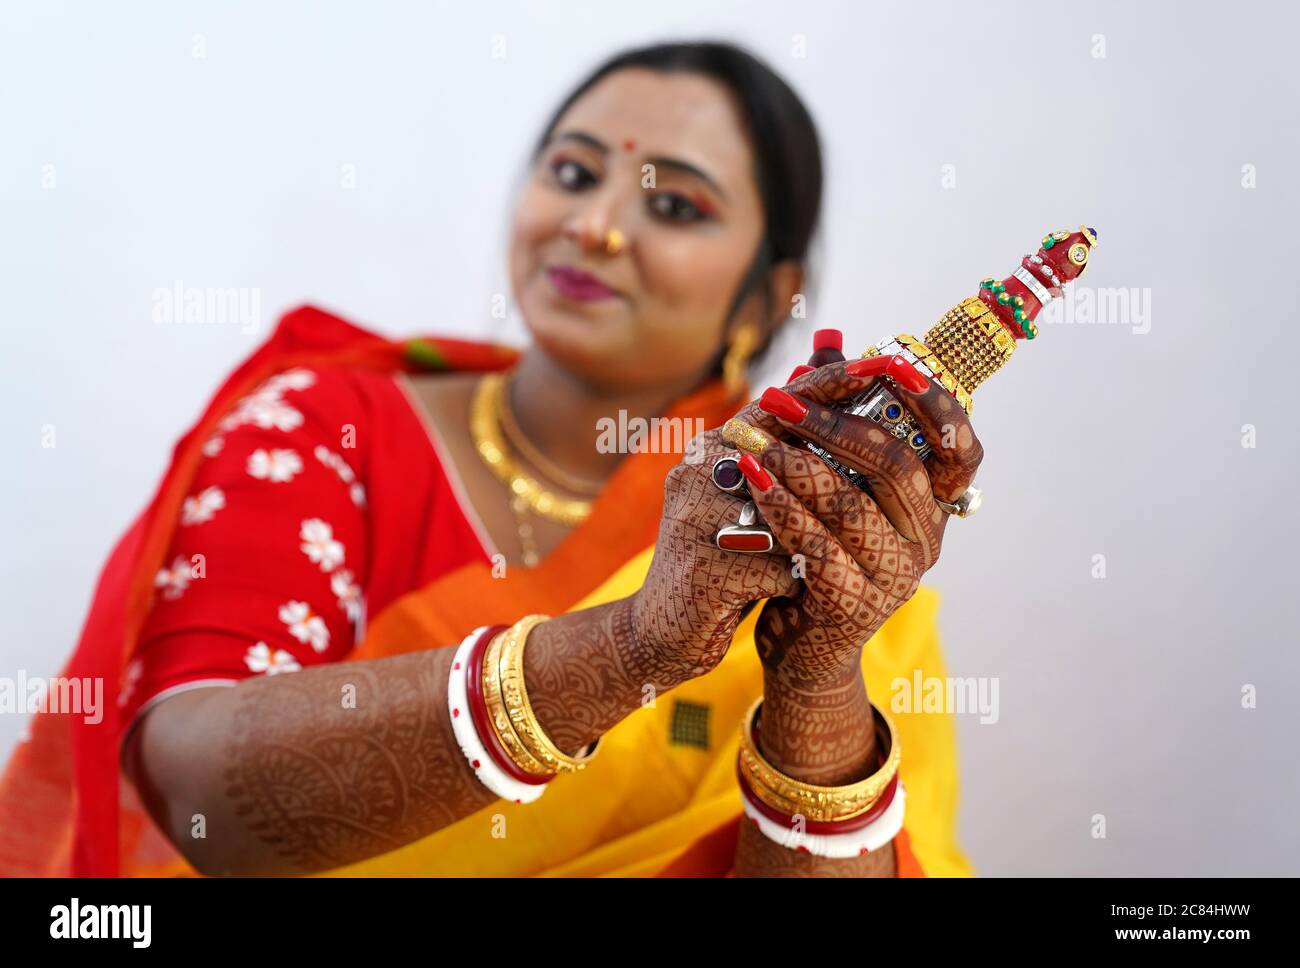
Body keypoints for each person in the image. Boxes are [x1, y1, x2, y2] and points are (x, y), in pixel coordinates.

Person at [0, 41, 976, 877]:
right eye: (570, 171)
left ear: (770, 297)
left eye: (673, 206)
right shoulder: (329, 429)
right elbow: (190, 785)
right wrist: (628, 647)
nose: (595, 223)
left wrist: (813, 689)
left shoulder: (800, 519)